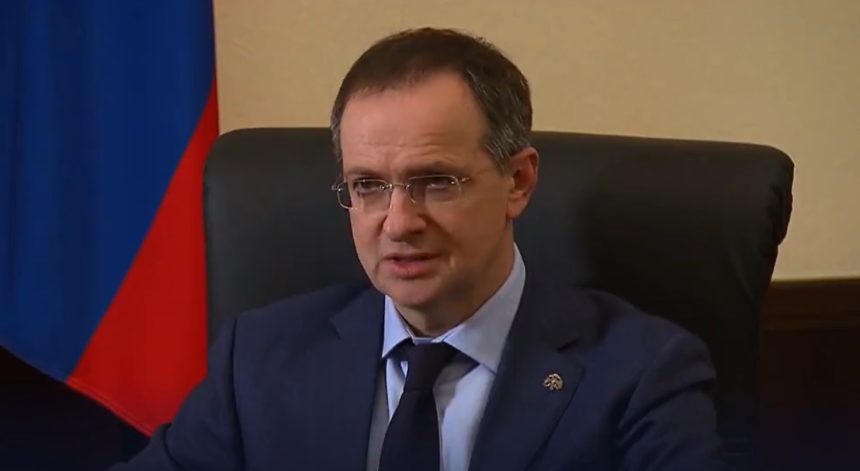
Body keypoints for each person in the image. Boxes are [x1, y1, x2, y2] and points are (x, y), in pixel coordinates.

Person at [115, 28, 723, 470]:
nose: (399, 223)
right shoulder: (260, 360)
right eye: (367, 186)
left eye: (435, 181)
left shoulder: (641, 374)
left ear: (517, 182)